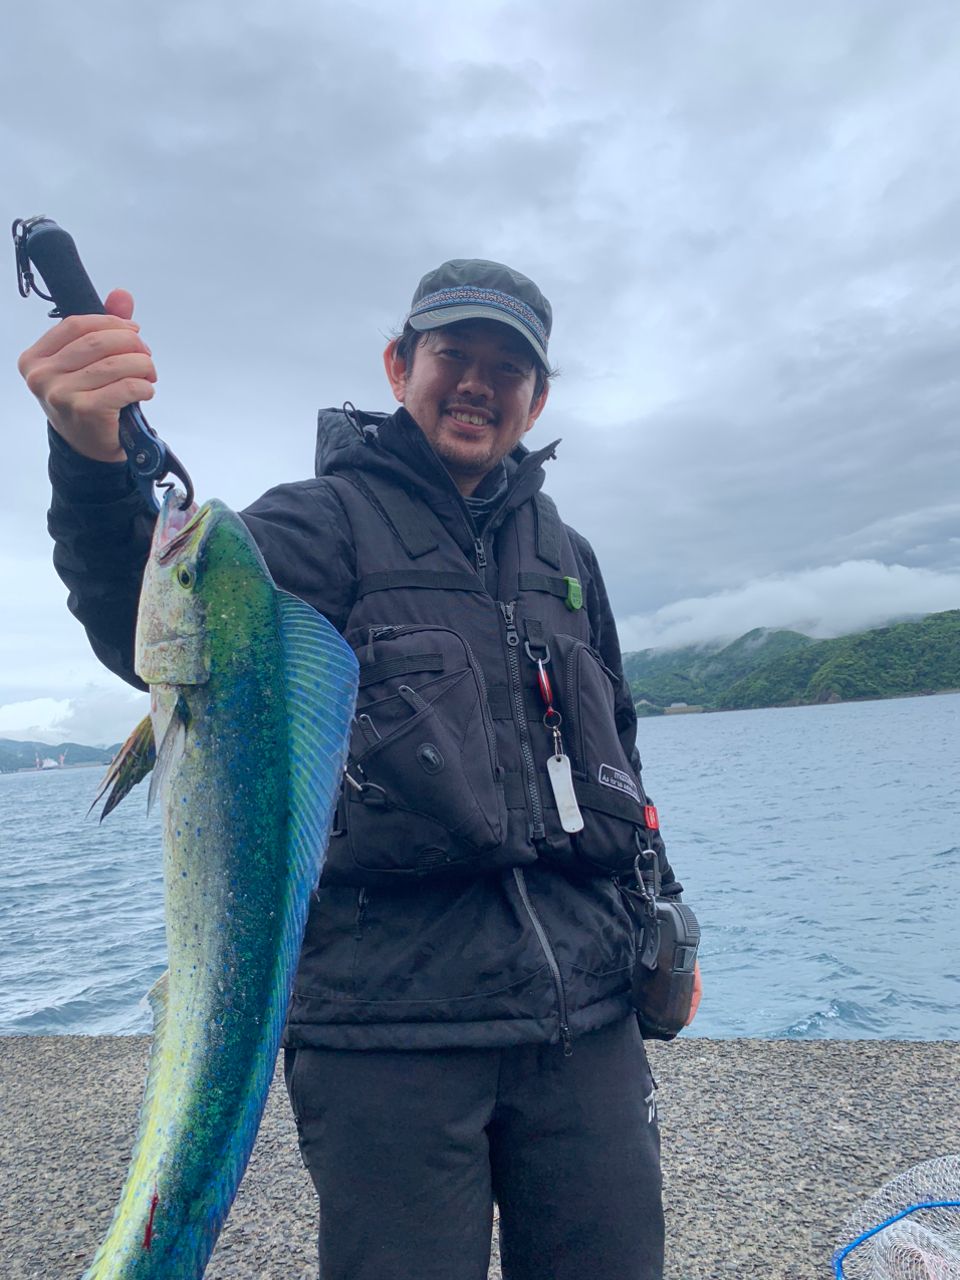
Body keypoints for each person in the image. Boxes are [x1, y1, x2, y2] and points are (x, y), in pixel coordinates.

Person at [19, 257, 701, 1280]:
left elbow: (619, 753)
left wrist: (667, 918)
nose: (477, 382)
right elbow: (159, 626)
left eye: (506, 367)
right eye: (451, 355)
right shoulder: (314, 524)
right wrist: (89, 453)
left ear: (538, 397)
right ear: (397, 365)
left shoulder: (568, 553)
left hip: (585, 1019)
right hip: (389, 1029)